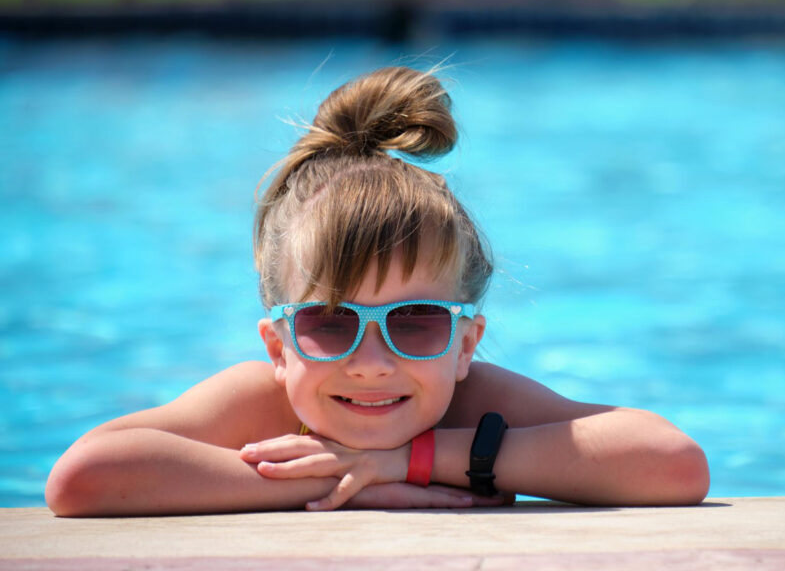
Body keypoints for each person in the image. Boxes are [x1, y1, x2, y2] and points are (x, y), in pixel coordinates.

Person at [45, 66, 709, 516]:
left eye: (416, 322)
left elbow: (673, 463)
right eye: (329, 323)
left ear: (464, 344)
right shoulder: (260, 404)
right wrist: (341, 478)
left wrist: (415, 459)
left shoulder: (473, 403)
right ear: (277, 346)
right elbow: (83, 476)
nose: (371, 361)